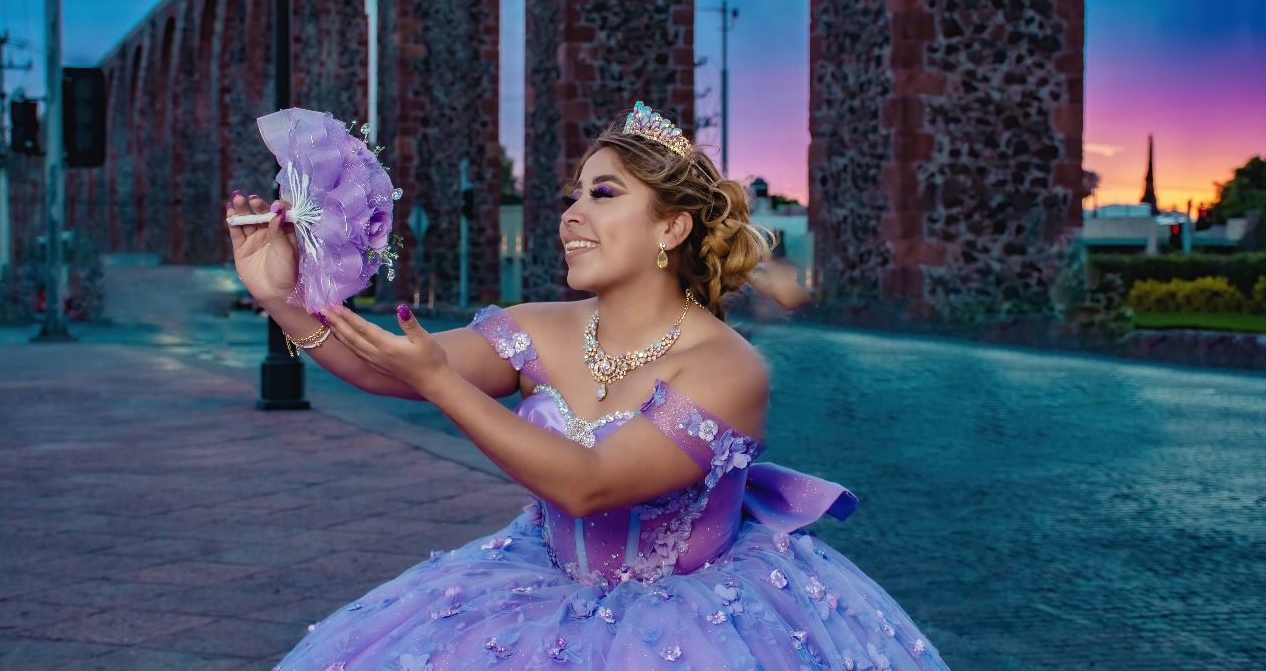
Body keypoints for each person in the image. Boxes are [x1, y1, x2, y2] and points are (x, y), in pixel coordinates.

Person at [227, 103, 949, 670]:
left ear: (672, 227)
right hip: (535, 589)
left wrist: (443, 383)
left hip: (696, 626)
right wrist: (280, 297)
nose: (570, 214)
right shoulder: (536, 326)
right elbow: (380, 365)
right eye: (573, 196)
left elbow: (590, 485)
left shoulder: (728, 367)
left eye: (603, 194)